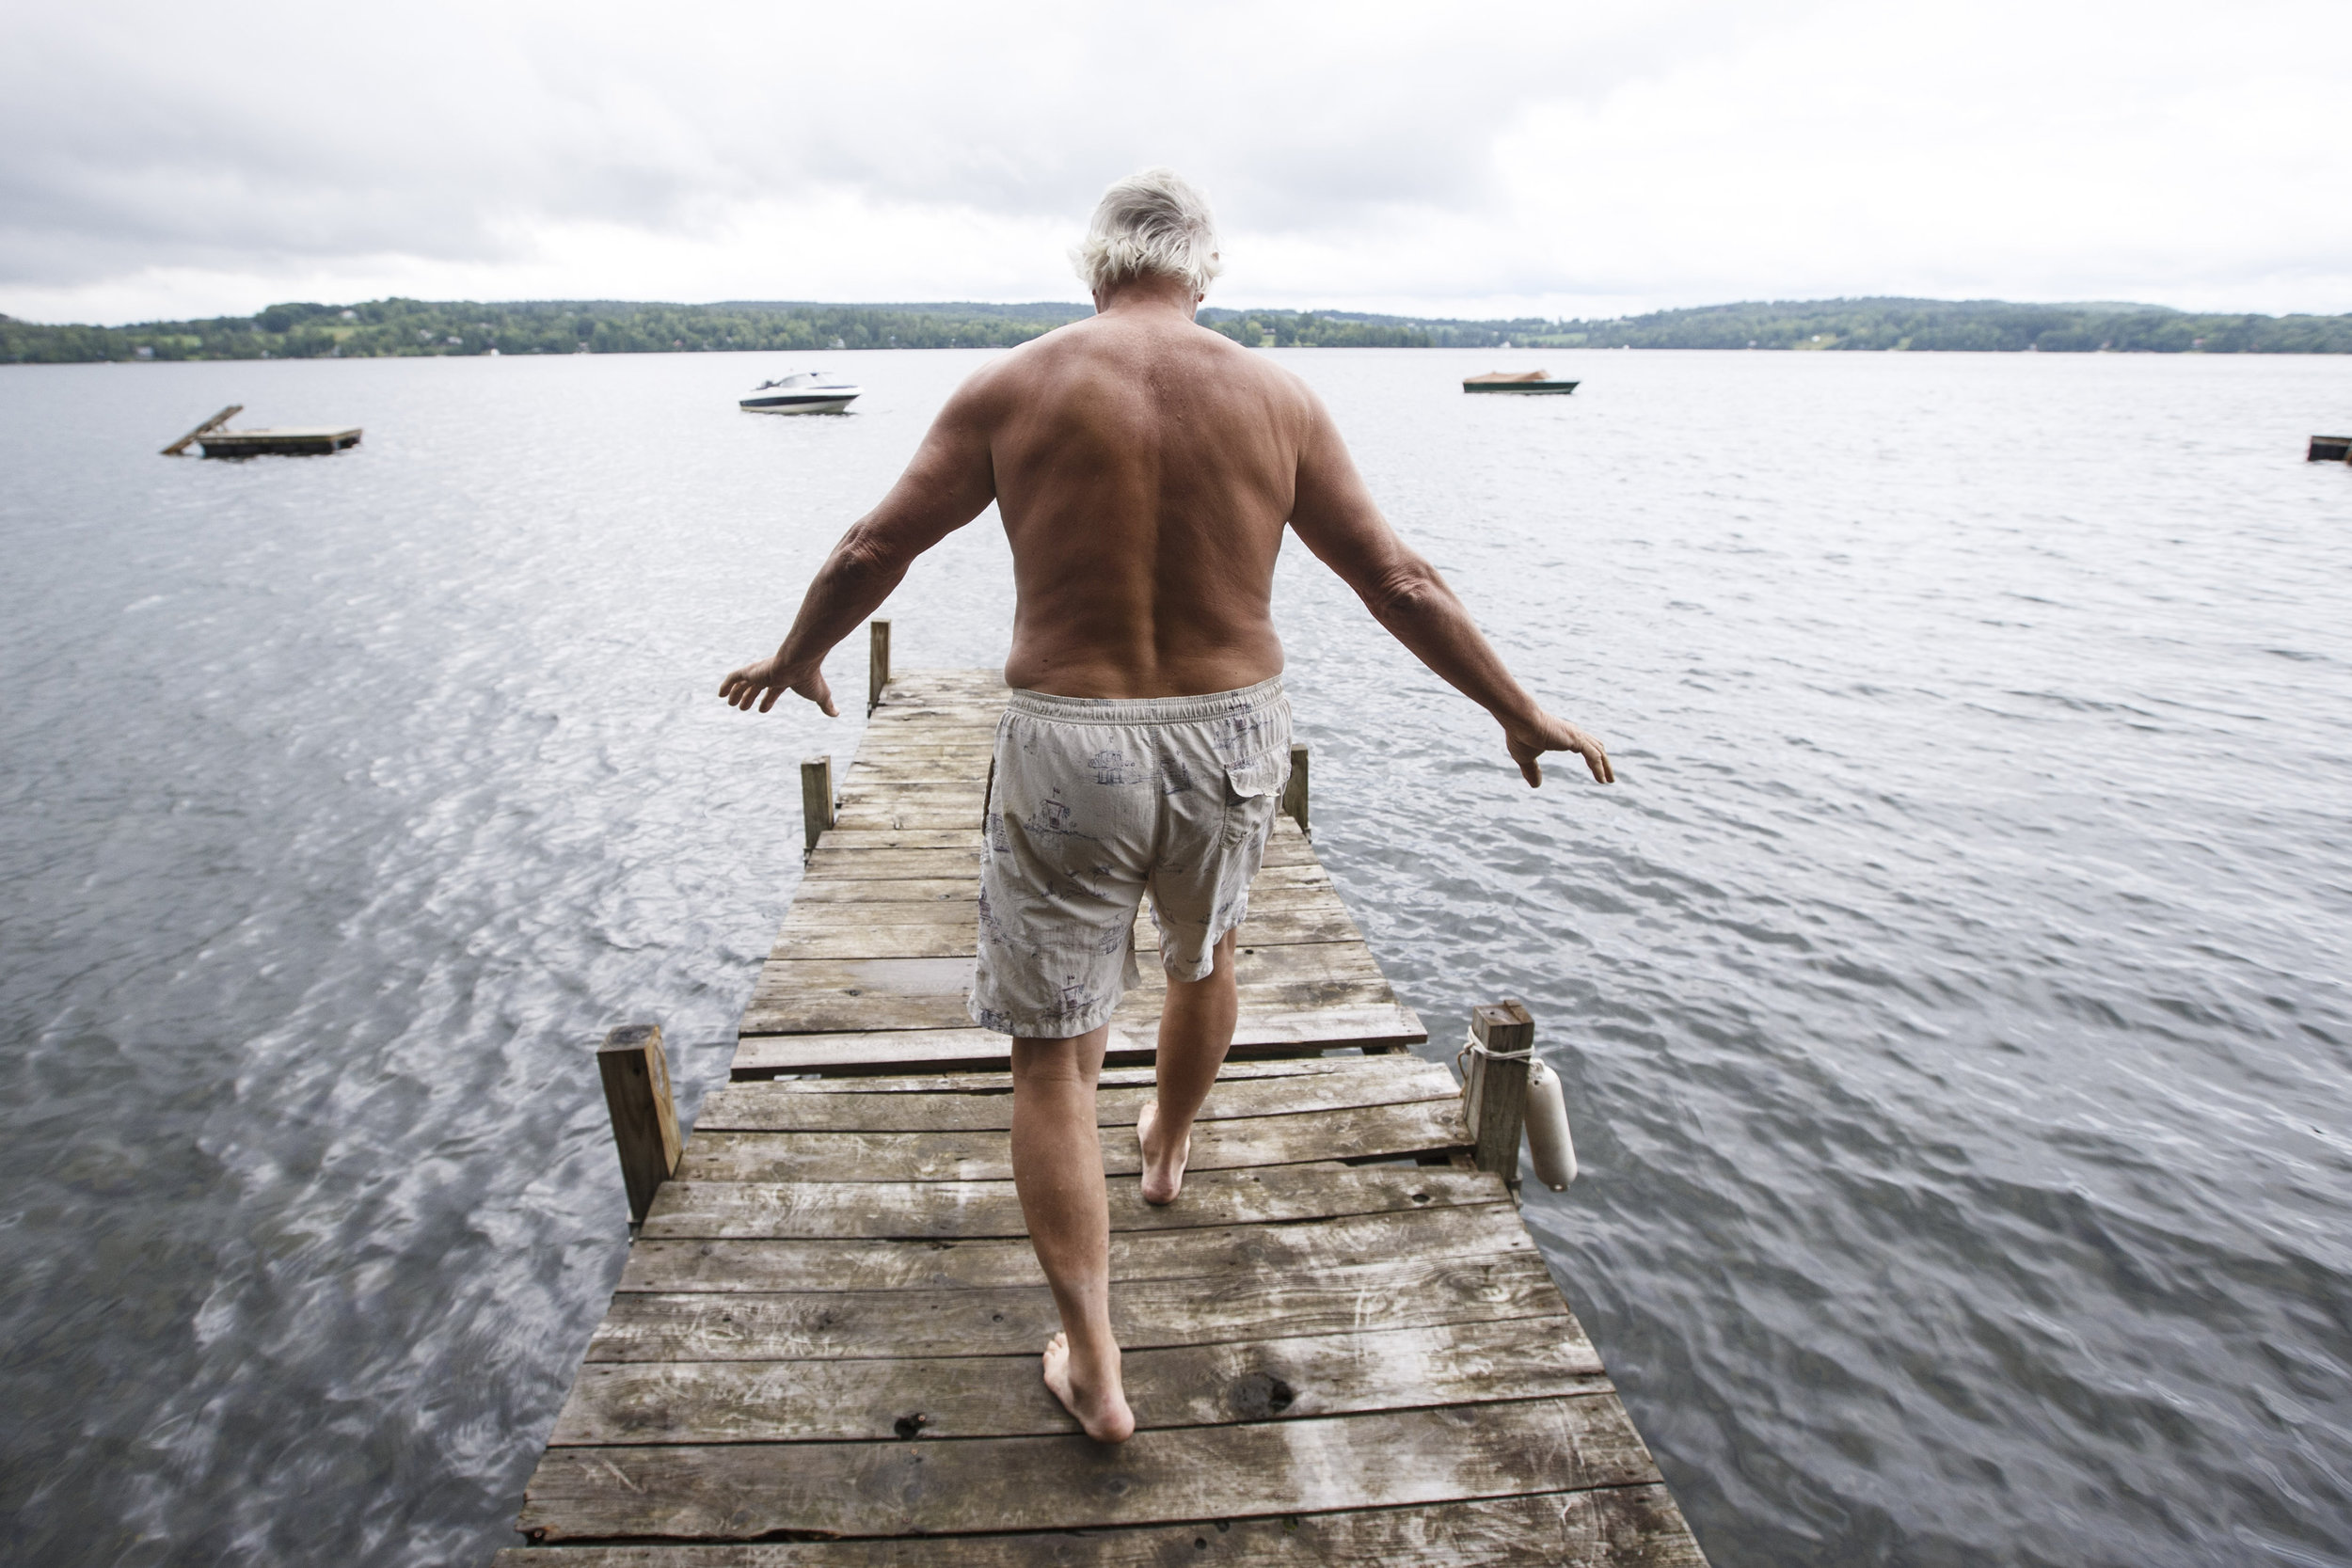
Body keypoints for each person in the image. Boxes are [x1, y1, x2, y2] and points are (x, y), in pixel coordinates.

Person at [720, 168, 1613, 1445]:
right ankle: (1168, 1150)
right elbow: (1400, 580)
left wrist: (802, 649)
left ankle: (1094, 1361)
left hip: (1069, 735)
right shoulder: (1279, 396)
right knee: (1207, 958)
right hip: (1229, 728)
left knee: (1050, 1052)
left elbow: (875, 549)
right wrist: (1516, 708)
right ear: (1205, 273)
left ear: (1093, 269)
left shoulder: (1014, 385)